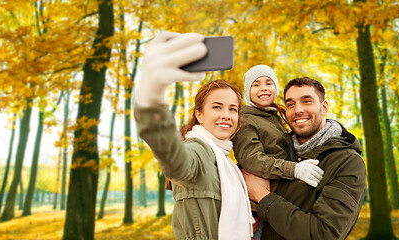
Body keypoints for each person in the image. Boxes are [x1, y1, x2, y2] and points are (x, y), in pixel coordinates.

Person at [134, 32, 254, 240]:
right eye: (217, 107)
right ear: (199, 115)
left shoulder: (225, 160)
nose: (227, 115)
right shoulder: (198, 150)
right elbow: (174, 158)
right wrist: (151, 95)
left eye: (233, 109)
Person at [242, 77, 366, 240]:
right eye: (290, 104)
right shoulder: (275, 149)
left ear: (324, 107)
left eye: (307, 101)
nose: (298, 110)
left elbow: (324, 234)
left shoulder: (347, 163)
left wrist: (263, 197)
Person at [232, 65, 324, 239]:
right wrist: (294, 169)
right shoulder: (246, 120)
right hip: (256, 208)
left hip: (278, 199)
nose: (263, 88)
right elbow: (252, 160)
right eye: (256, 84)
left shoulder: (274, 116)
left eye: (269, 83)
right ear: (247, 91)